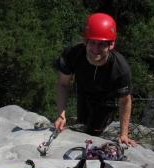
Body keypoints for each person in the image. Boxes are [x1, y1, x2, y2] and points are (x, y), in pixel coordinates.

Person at [54, 13, 135, 146]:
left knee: (94, 133)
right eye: (92, 42)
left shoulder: (120, 68)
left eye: (102, 44)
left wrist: (124, 134)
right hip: (83, 92)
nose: (96, 49)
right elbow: (63, 84)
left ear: (111, 45)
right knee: (82, 125)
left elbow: (125, 101)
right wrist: (61, 115)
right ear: (85, 41)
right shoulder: (73, 55)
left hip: (106, 100)